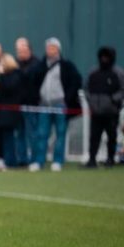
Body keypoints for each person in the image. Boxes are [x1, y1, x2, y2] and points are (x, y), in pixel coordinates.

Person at [31, 38, 81, 172]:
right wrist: (37, 97)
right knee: (42, 134)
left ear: (58, 49)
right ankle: (39, 161)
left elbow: (76, 82)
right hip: (44, 105)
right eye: (48, 48)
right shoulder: (41, 65)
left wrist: (67, 99)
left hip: (60, 105)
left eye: (53, 48)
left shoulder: (66, 66)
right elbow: (33, 82)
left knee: (61, 133)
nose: (50, 50)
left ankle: (58, 161)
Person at [85, 46, 124, 167]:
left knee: (112, 136)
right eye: (102, 57)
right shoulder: (93, 71)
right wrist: (91, 101)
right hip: (96, 111)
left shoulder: (118, 72)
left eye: (106, 57)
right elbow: (86, 88)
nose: (104, 59)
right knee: (94, 137)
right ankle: (92, 159)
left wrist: (113, 100)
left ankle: (110, 159)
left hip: (111, 111)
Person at [0, 54, 25, 168]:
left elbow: (8, 88)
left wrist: (1, 76)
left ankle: (12, 160)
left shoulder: (15, 75)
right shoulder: (7, 76)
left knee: (12, 137)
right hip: (4, 111)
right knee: (7, 137)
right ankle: (8, 160)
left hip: (11, 111)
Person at [15, 37, 40, 164]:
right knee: (19, 134)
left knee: (32, 134)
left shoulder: (36, 64)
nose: (21, 54)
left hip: (32, 104)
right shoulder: (15, 64)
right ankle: (21, 159)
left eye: (23, 51)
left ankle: (35, 159)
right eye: (19, 51)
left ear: (29, 50)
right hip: (18, 105)